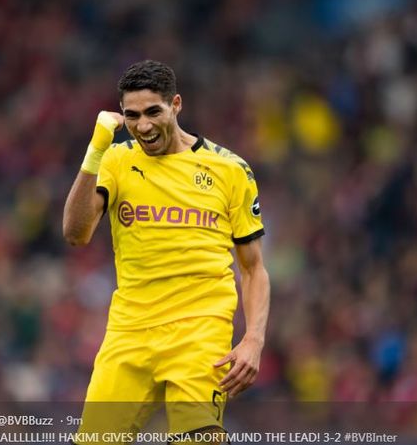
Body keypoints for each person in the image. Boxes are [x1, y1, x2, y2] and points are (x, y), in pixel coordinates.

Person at [63, 60, 270, 443]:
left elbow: (253, 268)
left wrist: (253, 340)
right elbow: (76, 233)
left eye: (153, 112)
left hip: (199, 331)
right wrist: (95, 150)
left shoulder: (230, 170)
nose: (143, 125)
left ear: (176, 104)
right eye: (132, 115)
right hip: (129, 332)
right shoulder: (116, 161)